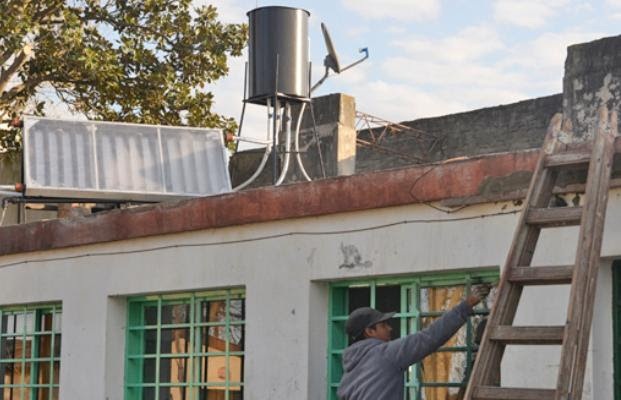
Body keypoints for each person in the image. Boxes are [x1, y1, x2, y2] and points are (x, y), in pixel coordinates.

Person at [337, 285, 491, 400]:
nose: (390, 328)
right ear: (369, 331)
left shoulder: (350, 370)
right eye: (383, 325)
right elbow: (430, 337)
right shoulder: (385, 354)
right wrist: (466, 305)